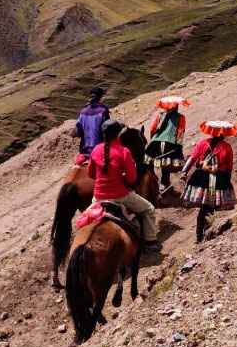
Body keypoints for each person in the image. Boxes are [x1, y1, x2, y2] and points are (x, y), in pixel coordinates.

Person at [89, 119, 161, 250]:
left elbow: (91, 175)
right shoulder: (124, 152)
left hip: (98, 197)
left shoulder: (95, 150)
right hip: (120, 195)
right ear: (118, 134)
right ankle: (151, 241)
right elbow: (132, 179)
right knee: (149, 209)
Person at [181, 120, 237, 243]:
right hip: (218, 180)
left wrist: (184, 172)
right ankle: (203, 234)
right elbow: (229, 167)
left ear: (211, 132)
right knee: (209, 208)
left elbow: (193, 157)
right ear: (223, 134)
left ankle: (199, 235)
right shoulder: (226, 147)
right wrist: (227, 183)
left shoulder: (202, 143)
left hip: (201, 179)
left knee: (204, 208)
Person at [145, 96, 189, 188]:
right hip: (170, 143)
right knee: (166, 165)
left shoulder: (160, 115)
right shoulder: (181, 117)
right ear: (177, 107)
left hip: (156, 141)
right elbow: (180, 132)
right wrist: (179, 146)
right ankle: (164, 184)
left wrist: (153, 140)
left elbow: (152, 129)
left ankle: (151, 182)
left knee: (150, 162)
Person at [74, 87, 110, 165]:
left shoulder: (82, 112)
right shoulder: (103, 111)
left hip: (84, 152)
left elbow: (78, 133)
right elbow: (107, 131)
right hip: (99, 151)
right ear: (100, 97)